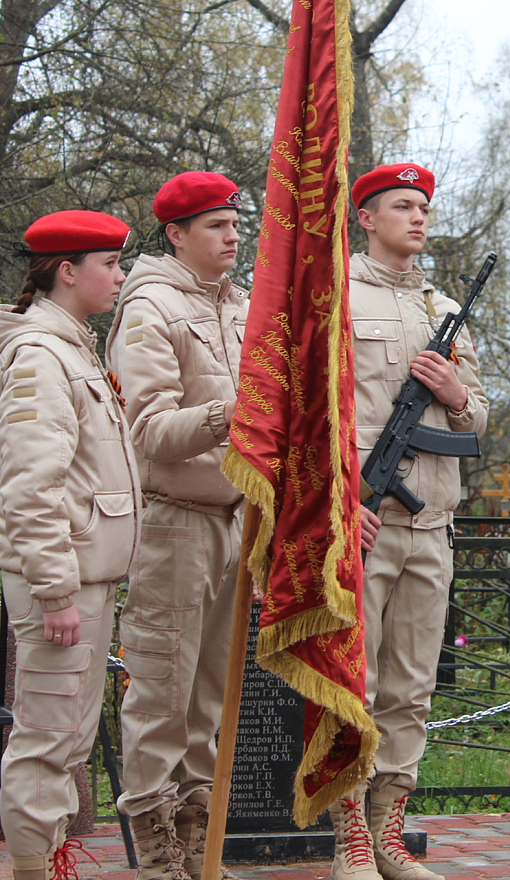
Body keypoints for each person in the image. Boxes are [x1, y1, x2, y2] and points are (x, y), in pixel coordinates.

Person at [327, 164, 488, 880]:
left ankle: (389, 832)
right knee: (351, 684)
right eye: (402, 206)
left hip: (432, 529)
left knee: (411, 691)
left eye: (424, 207)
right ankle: (348, 840)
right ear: (367, 216)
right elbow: (313, 418)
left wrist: (455, 391)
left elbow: (478, 419)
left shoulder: (443, 305)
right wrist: (337, 507)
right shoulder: (338, 299)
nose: (418, 218)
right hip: (363, 521)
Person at [106, 171, 250, 880]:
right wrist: (233, 412)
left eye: (235, 224)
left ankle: (198, 847)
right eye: (218, 227)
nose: (234, 236)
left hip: (233, 519)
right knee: (162, 693)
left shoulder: (241, 307)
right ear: (177, 234)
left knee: (208, 699)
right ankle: (158, 853)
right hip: (172, 522)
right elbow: (151, 430)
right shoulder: (150, 307)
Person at [0, 211, 141, 880]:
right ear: (66, 271)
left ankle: (43, 860)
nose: (119, 276)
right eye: (109, 264)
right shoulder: (41, 354)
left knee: (67, 740)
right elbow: (31, 487)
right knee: (47, 738)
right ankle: (29, 869)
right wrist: (55, 590)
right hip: (63, 583)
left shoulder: (74, 345)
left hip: (88, 576)